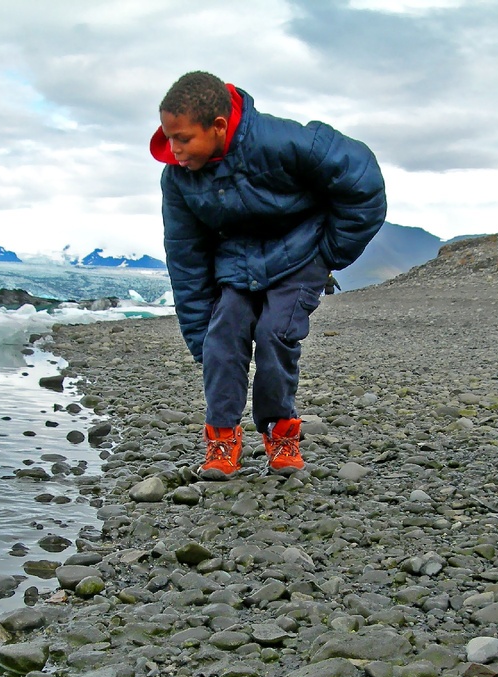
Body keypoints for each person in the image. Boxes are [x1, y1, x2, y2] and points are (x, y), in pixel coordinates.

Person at [151, 71, 386, 479]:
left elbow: (362, 180)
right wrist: (200, 341)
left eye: (183, 139)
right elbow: (185, 257)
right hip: (236, 264)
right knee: (221, 339)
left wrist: (327, 254)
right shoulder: (178, 178)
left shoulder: (285, 142)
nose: (174, 150)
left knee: (276, 333)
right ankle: (221, 440)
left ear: (218, 126)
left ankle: (281, 432)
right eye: (169, 137)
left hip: (298, 257)